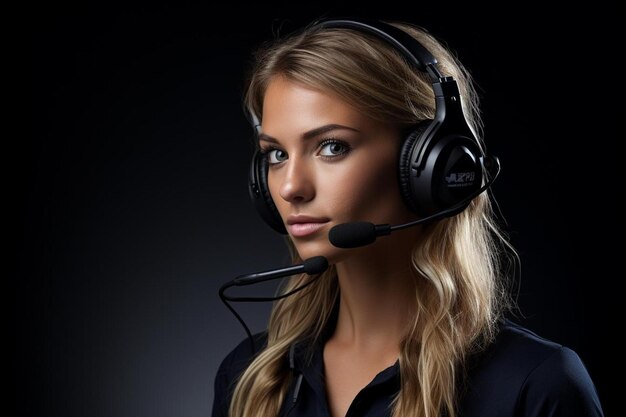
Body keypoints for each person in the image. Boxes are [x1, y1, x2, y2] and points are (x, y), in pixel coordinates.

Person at [212, 17, 604, 417]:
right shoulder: (250, 378)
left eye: (331, 147)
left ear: (428, 164)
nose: (290, 187)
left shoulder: (534, 385)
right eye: (276, 154)